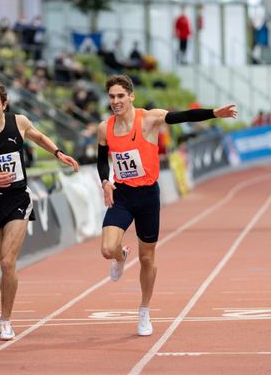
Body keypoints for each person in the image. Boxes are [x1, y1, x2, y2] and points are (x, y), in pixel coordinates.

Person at [96, 75, 236, 336]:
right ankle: (120, 256)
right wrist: (105, 180)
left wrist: (214, 113)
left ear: (131, 96)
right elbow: (102, 159)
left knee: (148, 257)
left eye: (120, 96)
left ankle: (144, 311)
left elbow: (183, 117)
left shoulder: (149, 119)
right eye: (112, 97)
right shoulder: (105, 128)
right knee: (107, 248)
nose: (116, 101)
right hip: (123, 195)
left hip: (148, 196)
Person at [0, 81, 79, 341]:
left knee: (7, 262)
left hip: (18, 199)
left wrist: (59, 153)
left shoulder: (19, 122)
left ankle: (5, 320)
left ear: (4, 104)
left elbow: (38, 137)